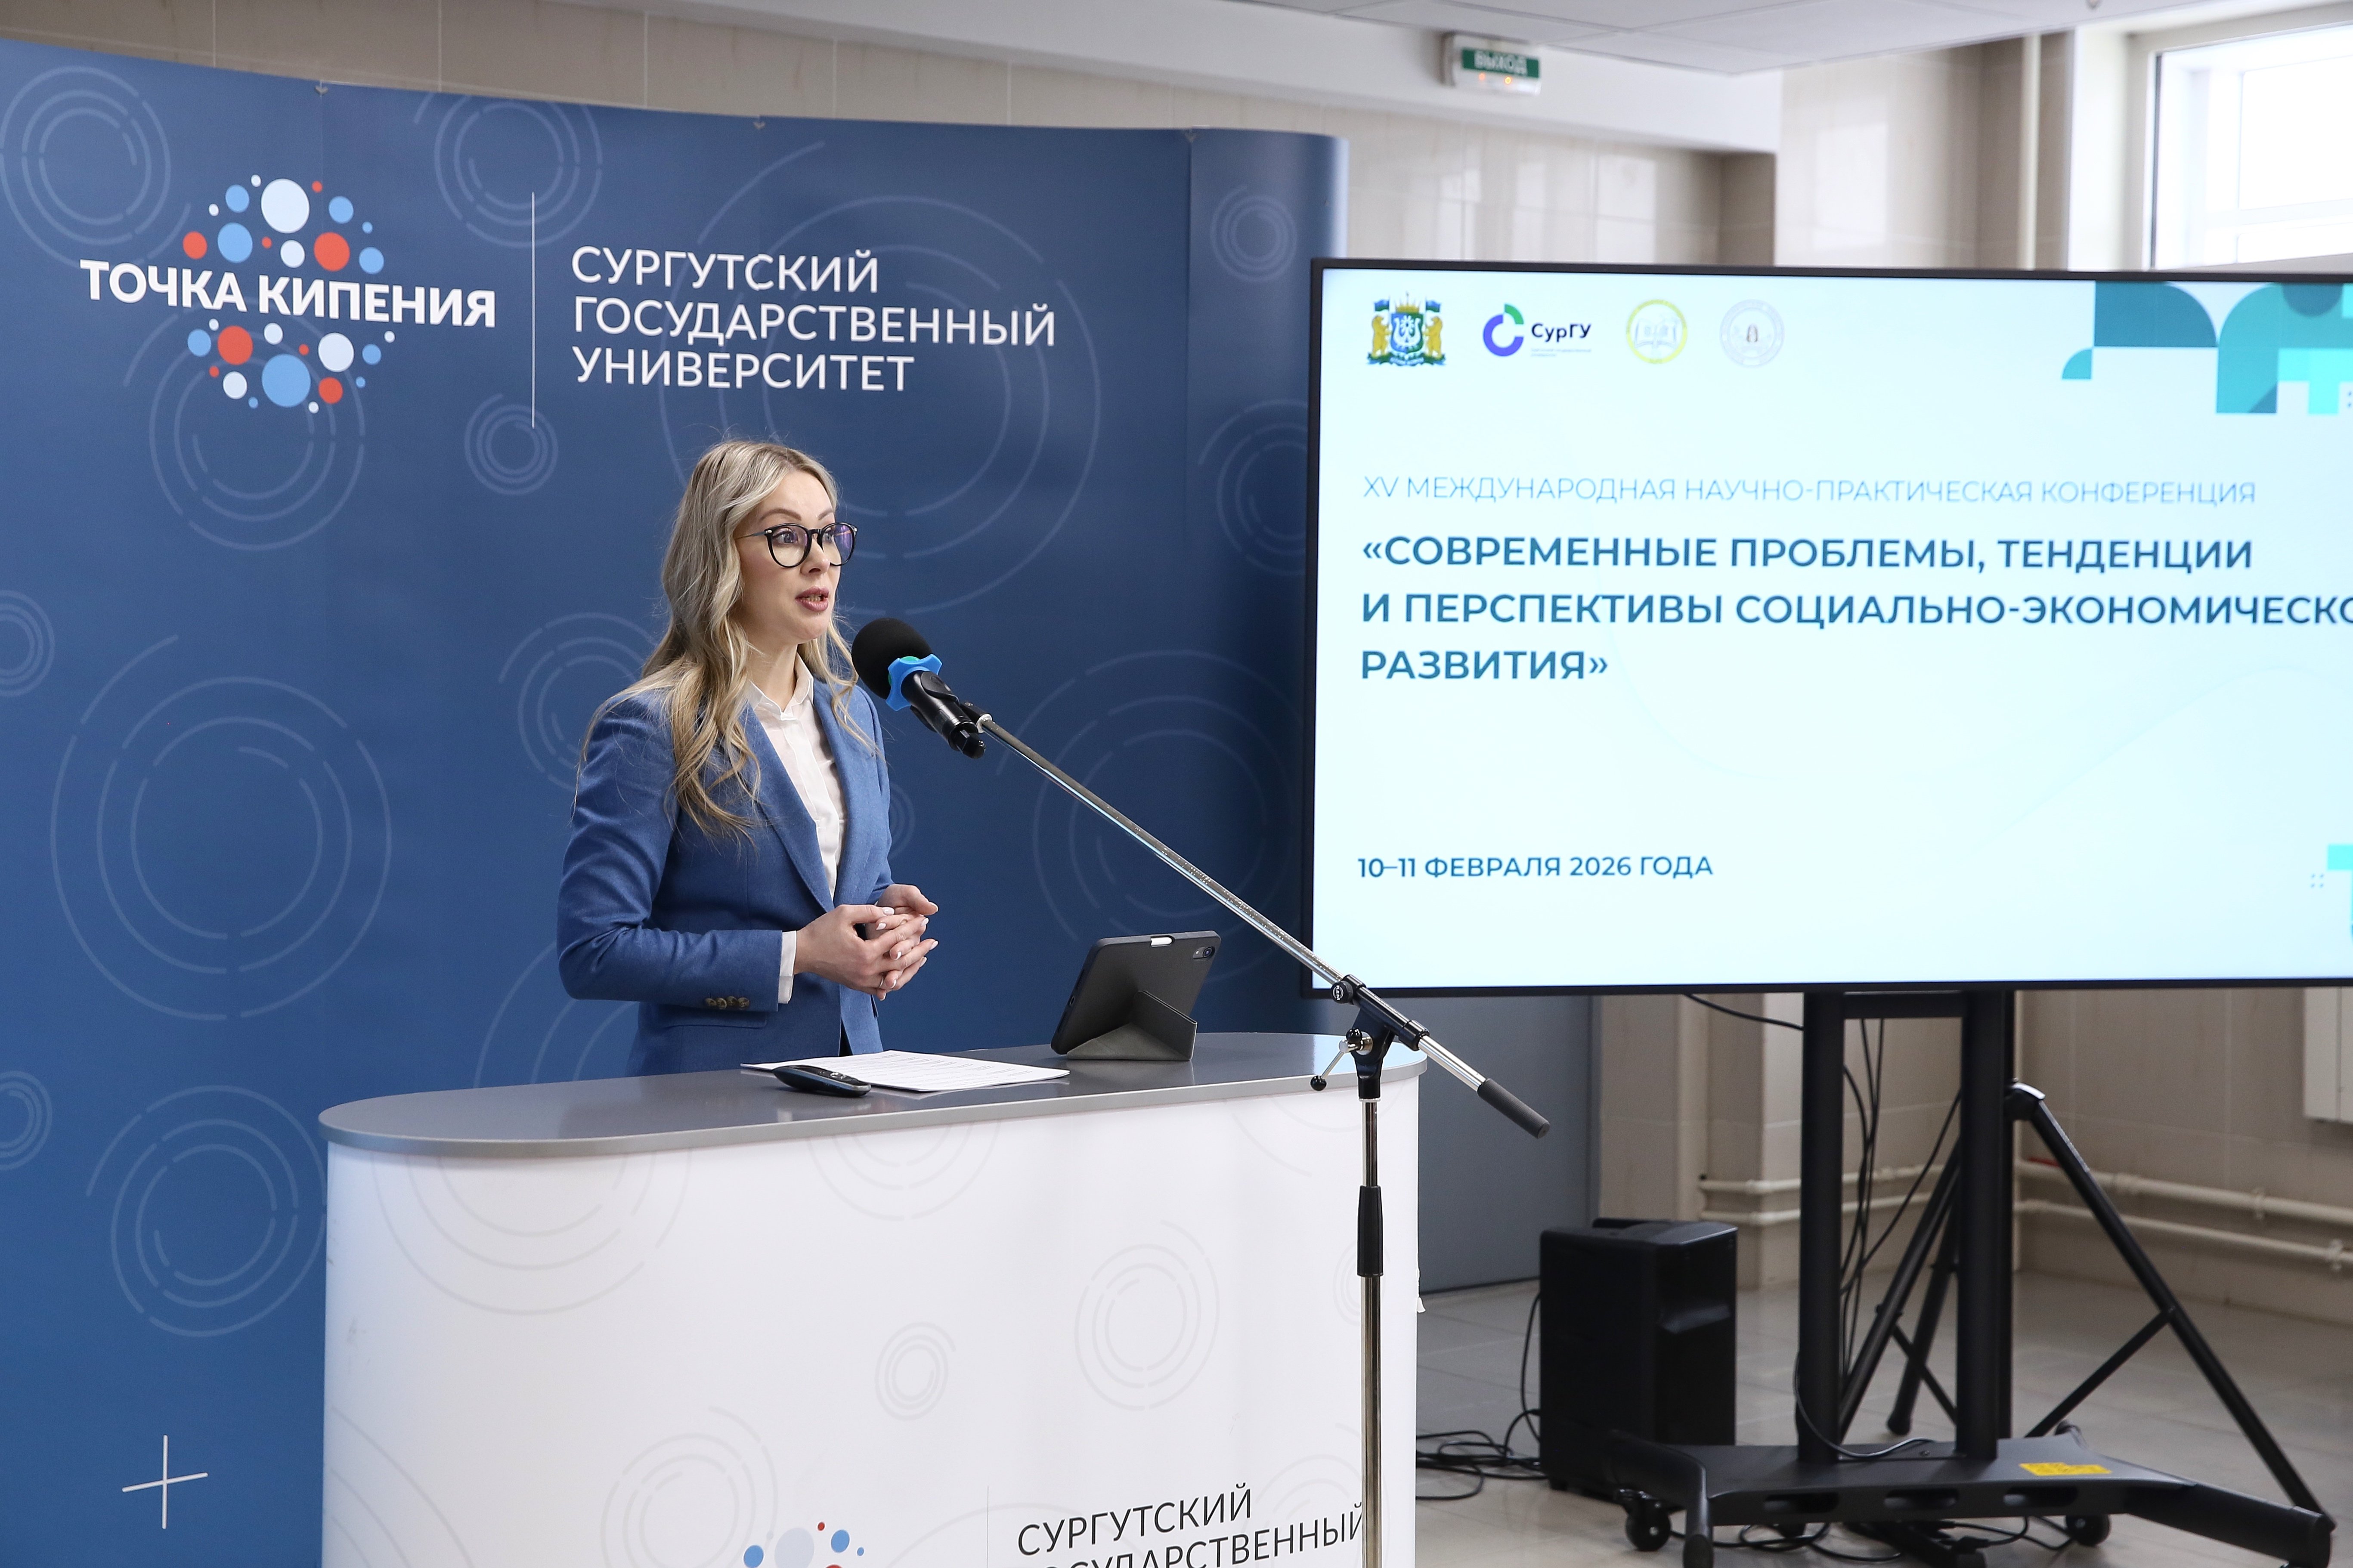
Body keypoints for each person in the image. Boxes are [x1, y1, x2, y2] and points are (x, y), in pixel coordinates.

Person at [558, 440, 938, 1073]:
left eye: (828, 535)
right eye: (787, 537)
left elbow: (831, 895)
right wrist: (798, 955)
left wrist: (882, 920)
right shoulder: (651, 726)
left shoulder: (852, 714)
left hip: (856, 1085)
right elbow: (593, 952)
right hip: (713, 1098)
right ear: (721, 557)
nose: (819, 561)